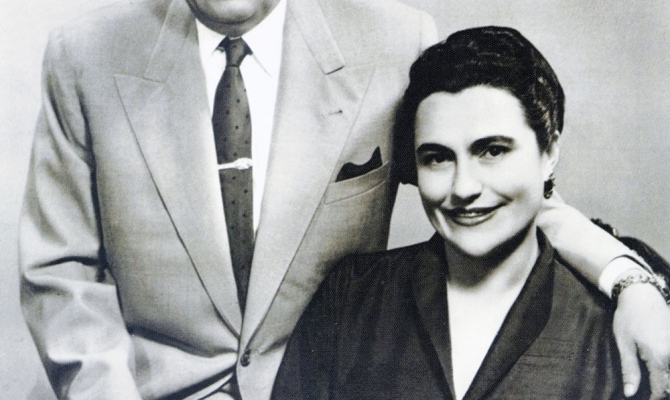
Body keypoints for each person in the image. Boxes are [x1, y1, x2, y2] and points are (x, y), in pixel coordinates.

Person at [18, 0, 670, 398]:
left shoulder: (396, 40)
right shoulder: (83, 57)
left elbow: (494, 194)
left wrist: (630, 282)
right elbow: (60, 274)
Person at [272, 26, 669, 400]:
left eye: (493, 151)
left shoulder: (616, 326)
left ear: (548, 153)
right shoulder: (351, 300)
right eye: (437, 158)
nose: (463, 187)